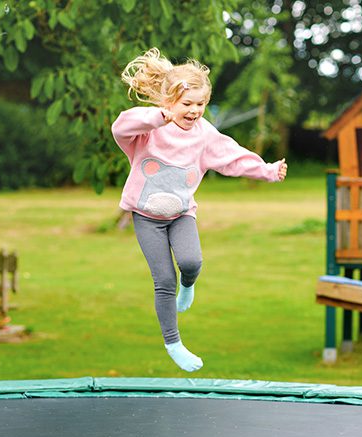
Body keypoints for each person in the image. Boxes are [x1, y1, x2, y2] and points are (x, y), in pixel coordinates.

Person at [111, 48, 287, 372]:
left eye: (200, 104)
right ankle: (173, 343)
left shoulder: (204, 135)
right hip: (146, 217)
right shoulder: (149, 129)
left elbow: (233, 157)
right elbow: (120, 126)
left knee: (191, 263)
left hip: (180, 214)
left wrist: (267, 170)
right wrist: (156, 117)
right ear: (169, 103)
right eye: (186, 104)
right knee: (164, 278)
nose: (194, 111)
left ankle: (189, 286)